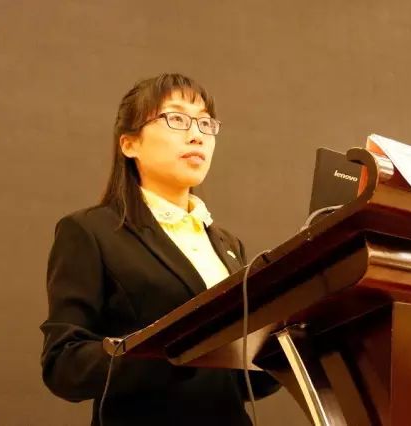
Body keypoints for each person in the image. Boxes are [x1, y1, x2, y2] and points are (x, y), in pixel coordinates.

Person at [40, 73, 279, 426]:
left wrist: (282, 346)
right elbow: (64, 364)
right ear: (129, 144)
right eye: (177, 119)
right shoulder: (90, 231)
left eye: (205, 123)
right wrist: (172, 352)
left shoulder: (228, 246)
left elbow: (242, 383)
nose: (197, 135)